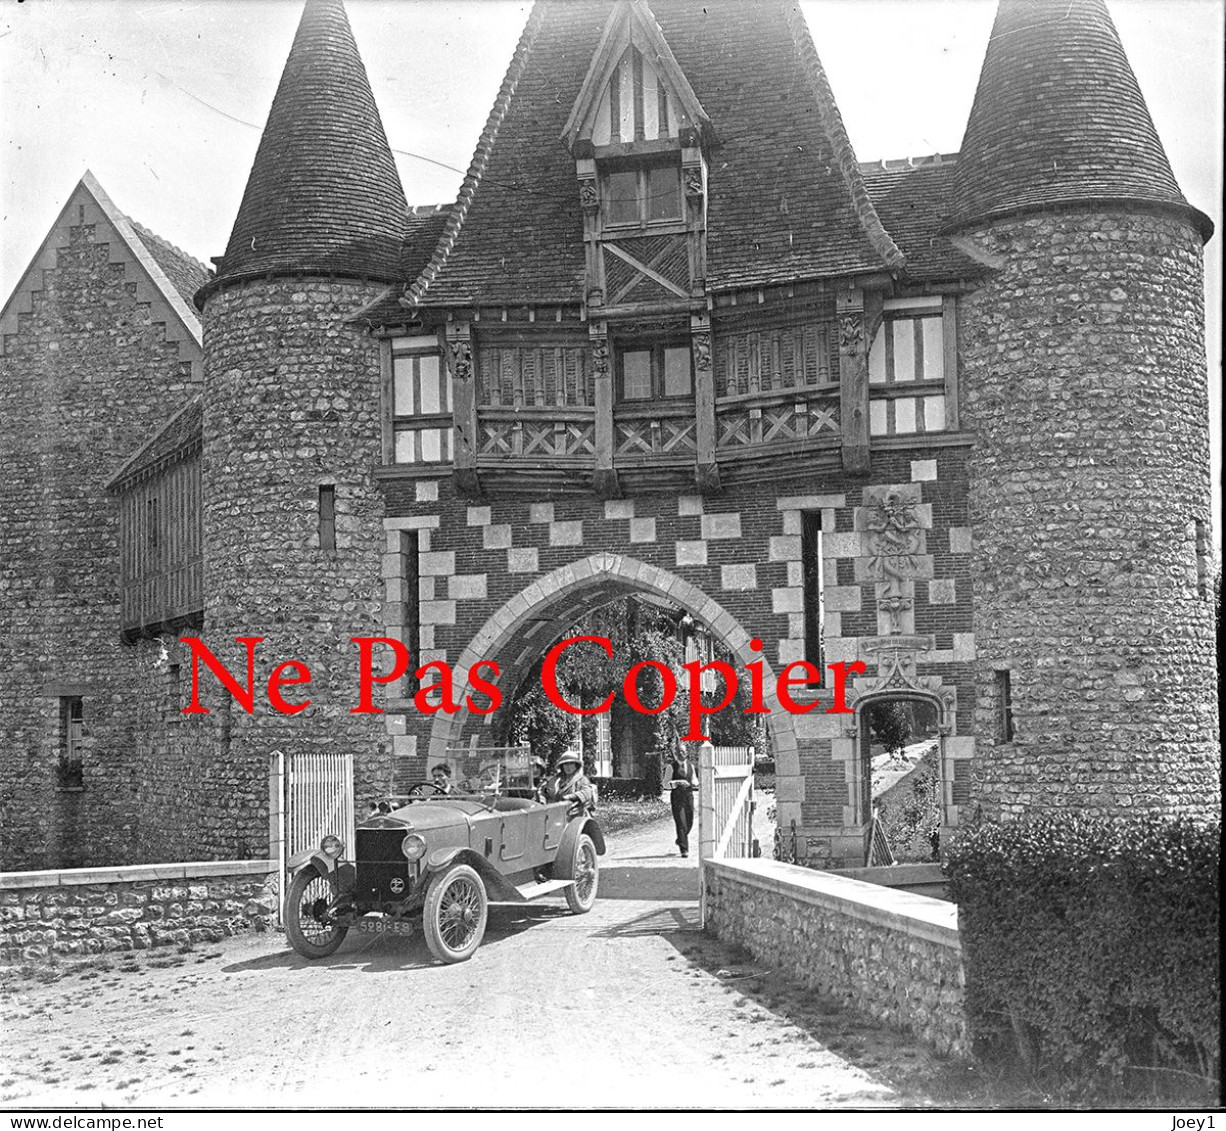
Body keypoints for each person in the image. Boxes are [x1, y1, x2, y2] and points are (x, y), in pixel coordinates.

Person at [668, 746, 696, 857]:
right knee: (680, 822)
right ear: (675, 753)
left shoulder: (691, 766)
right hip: (677, 797)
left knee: (689, 821)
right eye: (678, 751)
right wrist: (676, 783)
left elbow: (694, 779)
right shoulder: (671, 767)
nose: (681, 753)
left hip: (688, 796)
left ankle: (680, 839)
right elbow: (665, 783)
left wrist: (694, 783)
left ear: (686, 753)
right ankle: (684, 849)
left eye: (683, 751)